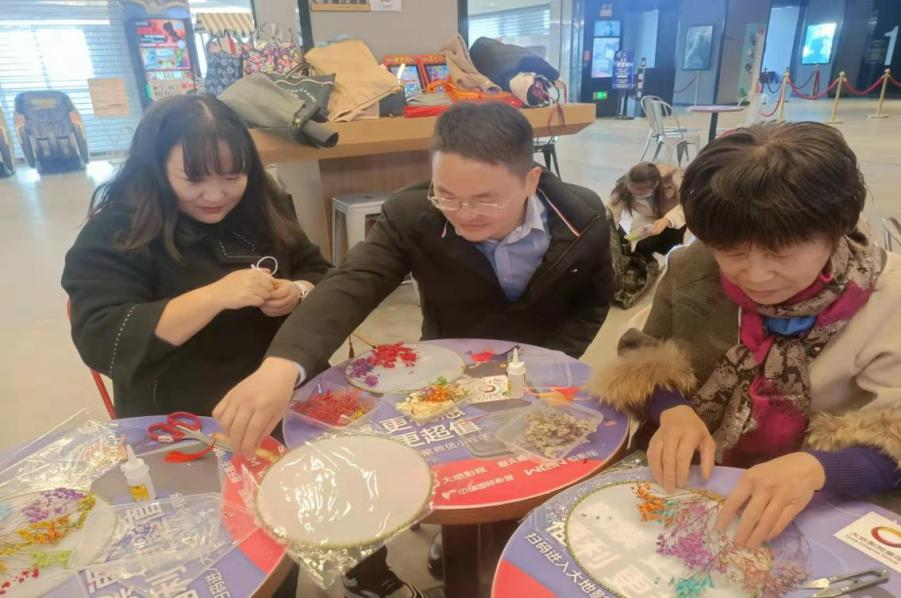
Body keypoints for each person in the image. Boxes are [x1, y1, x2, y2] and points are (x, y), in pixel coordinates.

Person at [215, 101, 614, 597]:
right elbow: (353, 283)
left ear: (530, 180)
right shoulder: (414, 214)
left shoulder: (582, 217)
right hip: (450, 370)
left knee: (526, 475)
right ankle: (455, 539)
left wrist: (549, 359)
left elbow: (593, 301)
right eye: (447, 194)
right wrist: (281, 366)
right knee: (456, 470)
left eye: (486, 200)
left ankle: (495, 542)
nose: (464, 213)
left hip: (538, 368)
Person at [590, 121, 901, 551]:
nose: (755, 275)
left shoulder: (889, 299)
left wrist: (821, 469)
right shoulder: (694, 269)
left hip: (816, 505)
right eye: (732, 252)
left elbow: (894, 438)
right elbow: (644, 355)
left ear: (836, 231)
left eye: (780, 253)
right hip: (692, 483)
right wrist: (672, 409)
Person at [62, 94, 331, 419]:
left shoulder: (260, 204)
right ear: (156, 169)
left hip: (287, 392)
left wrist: (297, 290)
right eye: (194, 179)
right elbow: (102, 340)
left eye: (232, 177)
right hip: (184, 415)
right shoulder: (118, 231)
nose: (216, 195)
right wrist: (213, 297)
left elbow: (319, 271)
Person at [607, 161, 686, 258]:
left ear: (656, 184)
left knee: (669, 247)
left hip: (675, 217)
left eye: (640, 191)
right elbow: (611, 215)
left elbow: (687, 207)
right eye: (632, 190)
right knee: (639, 248)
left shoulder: (675, 180)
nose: (635, 194)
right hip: (647, 218)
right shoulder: (623, 187)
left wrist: (667, 220)